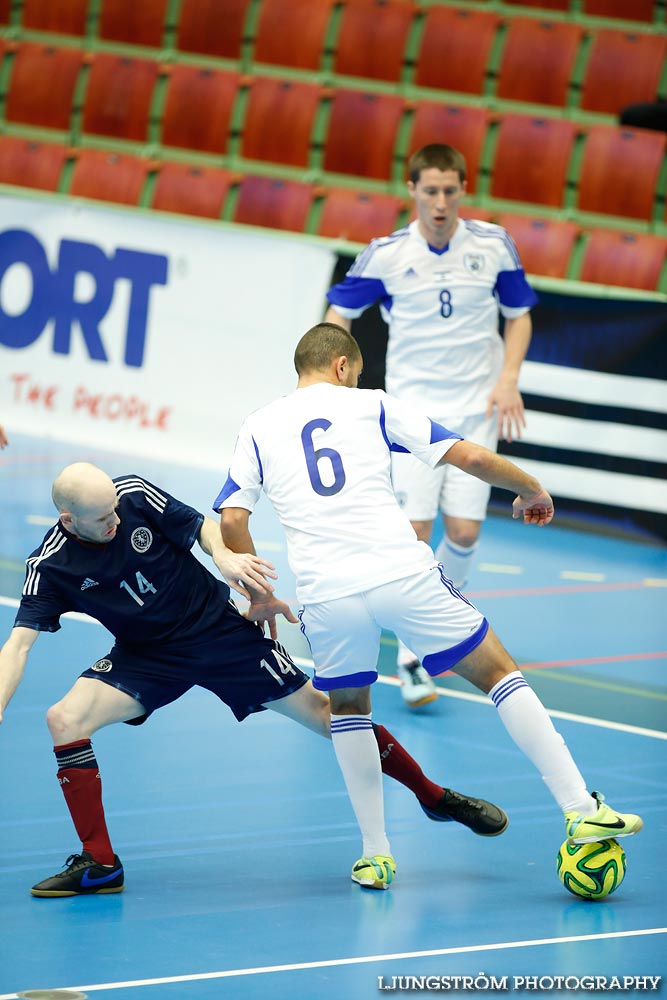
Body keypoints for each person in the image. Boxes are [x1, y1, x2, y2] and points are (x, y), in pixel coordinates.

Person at [216, 322, 642, 891]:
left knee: (347, 709)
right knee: (498, 673)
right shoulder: (373, 406)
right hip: (399, 571)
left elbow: (232, 519)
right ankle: (578, 806)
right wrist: (531, 488)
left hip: (326, 593)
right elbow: (466, 456)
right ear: (343, 366)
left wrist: (261, 595)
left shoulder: (259, 425)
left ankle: (375, 854)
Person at [0, 462, 508, 898]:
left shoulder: (130, 494)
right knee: (63, 719)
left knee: (333, 717)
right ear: (68, 520)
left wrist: (222, 556)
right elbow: (17, 646)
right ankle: (100, 864)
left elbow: (200, 526)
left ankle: (433, 796)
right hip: (146, 658)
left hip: (222, 634)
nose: (115, 520)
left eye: (114, 509)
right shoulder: (51, 566)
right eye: (101, 518)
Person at [325, 143, 537, 709]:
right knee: (415, 536)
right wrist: (333, 379)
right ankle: (412, 652)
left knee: (463, 534)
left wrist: (508, 377)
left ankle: (434, 616)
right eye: (430, 190)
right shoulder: (386, 255)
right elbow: (338, 313)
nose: (440, 201)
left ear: (462, 190)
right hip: (412, 416)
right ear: (413, 191)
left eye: (450, 190)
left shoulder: (492, 244)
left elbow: (519, 318)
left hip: (476, 410)